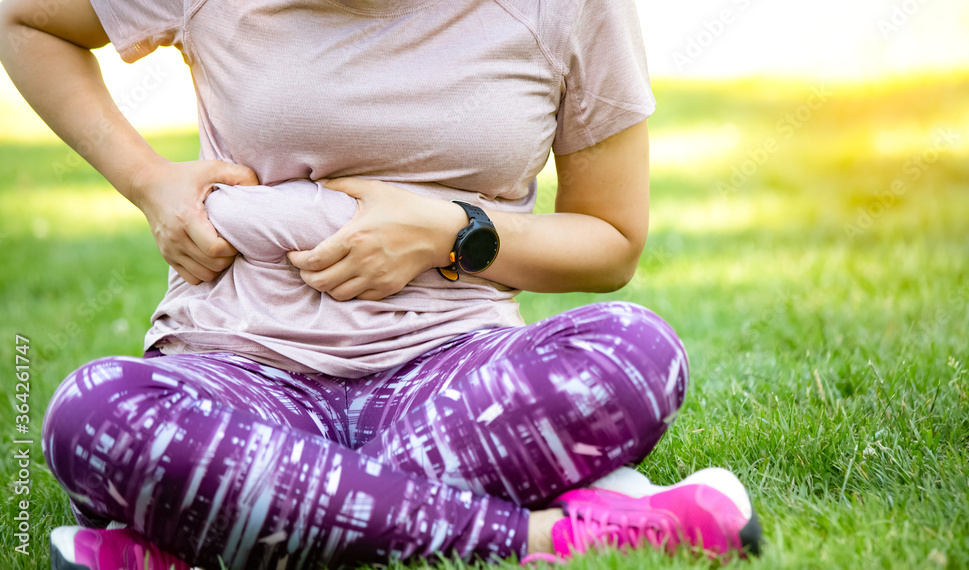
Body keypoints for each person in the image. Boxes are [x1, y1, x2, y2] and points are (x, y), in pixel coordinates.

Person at [0, 0, 762, 568]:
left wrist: (450, 230)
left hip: (450, 375)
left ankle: (215, 531)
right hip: (242, 369)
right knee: (95, 413)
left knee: (633, 353)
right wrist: (148, 183)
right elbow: (26, 20)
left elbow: (612, 241)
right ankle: (547, 533)